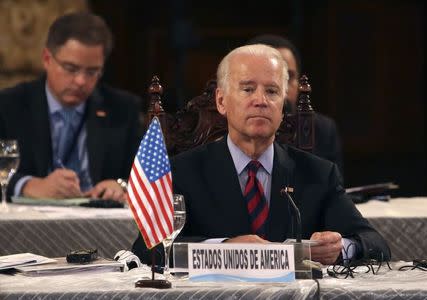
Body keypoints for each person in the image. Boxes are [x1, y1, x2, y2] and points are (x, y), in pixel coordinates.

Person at [132, 44, 390, 265]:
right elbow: (147, 251)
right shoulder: (182, 172)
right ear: (221, 101)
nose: (261, 100)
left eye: (272, 91)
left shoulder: (318, 174)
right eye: (247, 89)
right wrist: (222, 249)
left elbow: (376, 243)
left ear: (282, 107)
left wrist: (340, 248)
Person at [0, 12, 141, 202]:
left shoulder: (123, 109)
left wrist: (120, 184)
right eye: (71, 69)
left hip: (100, 223)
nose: (81, 81)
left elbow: (147, 176)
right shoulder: (10, 105)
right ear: (47, 59)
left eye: (92, 72)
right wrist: (27, 185)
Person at [247, 34, 344, 174]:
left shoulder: (323, 130)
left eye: (288, 77)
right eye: (269, 78)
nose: (281, 89)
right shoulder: (227, 130)